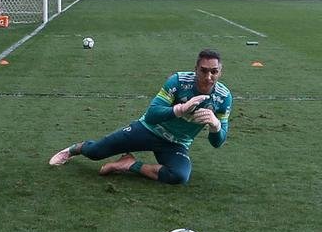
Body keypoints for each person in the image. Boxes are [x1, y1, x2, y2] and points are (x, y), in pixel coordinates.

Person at [48, 49, 231, 184]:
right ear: (196, 69)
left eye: (214, 71)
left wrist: (215, 126)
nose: (208, 77)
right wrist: (181, 108)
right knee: (96, 152)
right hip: (148, 130)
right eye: (204, 70)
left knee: (179, 176)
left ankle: (129, 164)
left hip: (176, 143)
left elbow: (218, 142)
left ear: (220, 72)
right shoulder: (178, 81)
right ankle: (73, 150)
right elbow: (152, 115)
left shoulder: (223, 97)